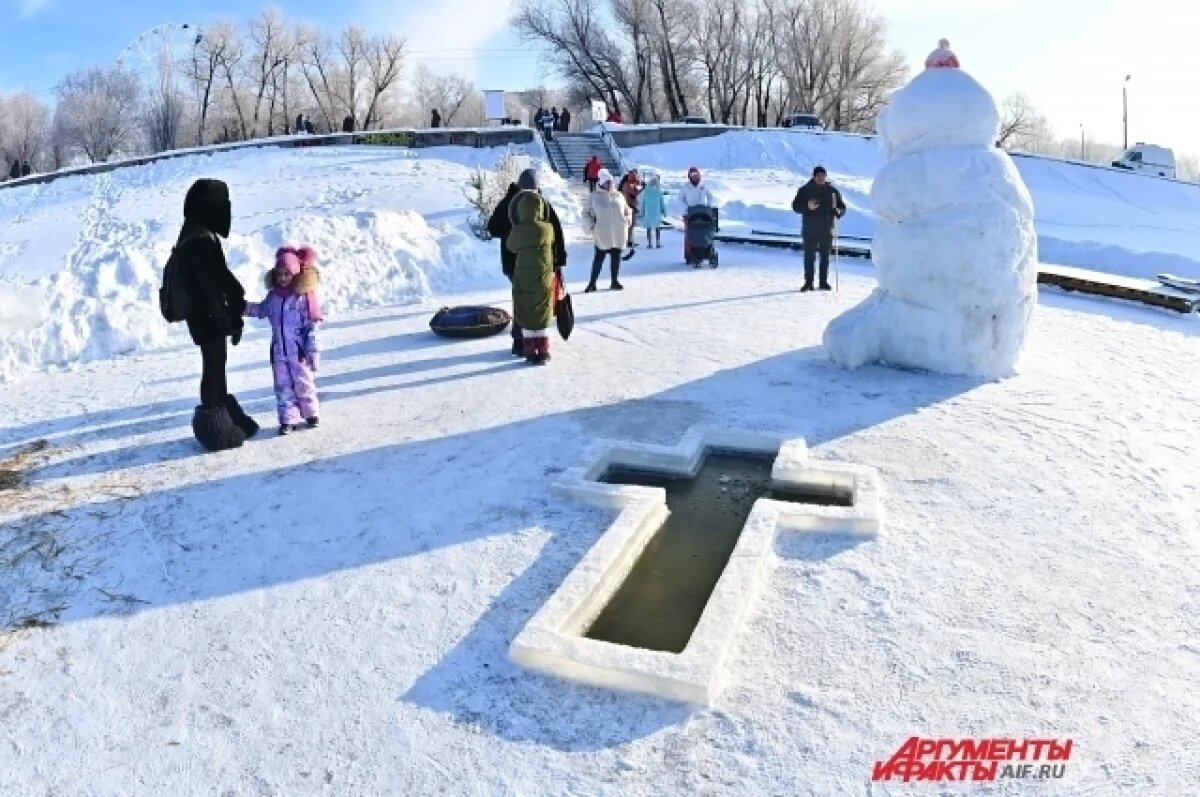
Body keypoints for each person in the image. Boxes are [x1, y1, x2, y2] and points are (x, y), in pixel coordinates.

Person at [178, 178, 255, 452]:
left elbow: (221, 278)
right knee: (213, 363)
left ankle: (224, 413)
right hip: (206, 316)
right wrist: (230, 321)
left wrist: (234, 297)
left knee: (216, 362)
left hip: (205, 315)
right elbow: (212, 286)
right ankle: (213, 427)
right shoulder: (200, 240)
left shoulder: (196, 233)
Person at [244, 245, 324, 434]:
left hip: (299, 352)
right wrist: (242, 307)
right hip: (279, 352)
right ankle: (288, 419)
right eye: (279, 274)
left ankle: (311, 413)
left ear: (296, 275)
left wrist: (313, 349)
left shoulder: (302, 299)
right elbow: (260, 310)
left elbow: (311, 327)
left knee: (304, 383)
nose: (282, 278)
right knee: (283, 386)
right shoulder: (273, 298)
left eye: (287, 274)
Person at [506, 189, 557, 365]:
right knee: (542, 307)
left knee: (526, 307)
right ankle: (543, 351)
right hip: (543, 274)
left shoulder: (518, 230)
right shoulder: (548, 228)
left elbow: (511, 247)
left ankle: (529, 351)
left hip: (523, 275)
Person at [791, 165, 846, 291]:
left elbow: (842, 207)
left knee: (825, 257)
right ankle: (808, 282)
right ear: (814, 176)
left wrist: (838, 211)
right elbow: (795, 206)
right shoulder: (805, 190)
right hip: (809, 228)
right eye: (818, 175)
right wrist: (807, 206)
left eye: (823, 175)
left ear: (826, 176)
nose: (821, 178)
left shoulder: (832, 191)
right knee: (809, 256)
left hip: (827, 228)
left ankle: (823, 282)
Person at [584, 169, 631, 292]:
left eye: (610, 182)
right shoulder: (594, 196)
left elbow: (627, 210)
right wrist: (592, 226)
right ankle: (592, 283)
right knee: (599, 258)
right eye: (606, 182)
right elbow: (586, 213)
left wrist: (627, 221)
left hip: (618, 232)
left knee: (616, 257)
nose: (609, 185)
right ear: (601, 183)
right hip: (602, 232)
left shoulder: (619, 195)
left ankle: (614, 281)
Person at [674, 166, 717, 262]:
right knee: (689, 234)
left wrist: (708, 206)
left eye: (697, 175)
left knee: (704, 232)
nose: (695, 177)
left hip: (702, 212)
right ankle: (689, 255)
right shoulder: (686, 187)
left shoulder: (703, 186)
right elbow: (680, 199)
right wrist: (685, 209)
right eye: (693, 175)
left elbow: (710, 196)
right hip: (690, 213)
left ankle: (704, 251)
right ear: (689, 176)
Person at [618, 169, 643, 258]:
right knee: (630, 225)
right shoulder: (628, 184)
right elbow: (634, 193)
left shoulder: (627, 184)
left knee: (631, 225)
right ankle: (628, 241)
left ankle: (629, 240)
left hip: (629, 206)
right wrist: (641, 188)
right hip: (629, 207)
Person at [638, 173, 666, 249]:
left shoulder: (646, 192)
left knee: (649, 228)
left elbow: (643, 203)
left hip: (648, 212)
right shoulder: (659, 192)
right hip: (657, 212)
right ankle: (658, 243)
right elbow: (662, 203)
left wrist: (641, 212)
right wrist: (664, 212)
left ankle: (650, 243)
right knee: (657, 228)